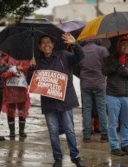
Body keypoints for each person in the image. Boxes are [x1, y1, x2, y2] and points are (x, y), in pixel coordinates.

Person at [27, 33, 86, 167]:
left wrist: (74, 44)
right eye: (43, 43)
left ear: (53, 45)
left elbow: (80, 56)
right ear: (40, 47)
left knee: (69, 129)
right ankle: (57, 158)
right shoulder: (37, 61)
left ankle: (75, 156)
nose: (46, 44)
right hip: (48, 103)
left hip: (65, 100)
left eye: (49, 42)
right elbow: (30, 81)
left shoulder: (63, 55)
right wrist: (31, 68)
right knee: (53, 131)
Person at [103, 34, 128, 156]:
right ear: (119, 46)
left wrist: (125, 70)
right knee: (113, 123)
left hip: (126, 96)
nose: (126, 47)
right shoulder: (110, 58)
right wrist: (116, 66)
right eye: (123, 45)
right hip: (112, 95)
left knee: (125, 122)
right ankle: (114, 147)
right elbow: (104, 71)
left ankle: (125, 145)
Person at [79, 40, 109, 143]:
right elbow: (107, 65)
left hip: (85, 84)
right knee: (102, 109)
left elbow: (77, 67)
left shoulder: (80, 50)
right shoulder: (102, 50)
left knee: (87, 109)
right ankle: (104, 134)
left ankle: (87, 136)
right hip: (99, 84)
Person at [0, 53, 31, 138]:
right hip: (10, 90)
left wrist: (28, 67)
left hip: (22, 90)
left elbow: (30, 72)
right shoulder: (5, 58)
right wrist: (13, 71)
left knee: (22, 111)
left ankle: (21, 131)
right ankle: (12, 132)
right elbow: (2, 73)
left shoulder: (26, 59)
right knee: (10, 111)